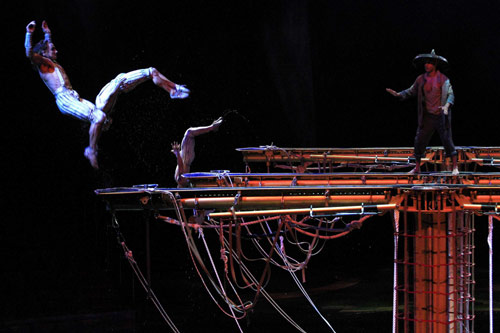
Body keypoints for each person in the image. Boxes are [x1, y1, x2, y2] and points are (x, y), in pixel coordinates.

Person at [25, 20, 190, 169]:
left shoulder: (51, 61)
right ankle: (91, 150)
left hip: (77, 98)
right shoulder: (43, 65)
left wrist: (48, 33)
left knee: (134, 75)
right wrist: (29, 33)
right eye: (53, 49)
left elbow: (48, 46)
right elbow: (30, 53)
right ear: (44, 54)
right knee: (99, 118)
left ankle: (173, 90)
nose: (56, 50)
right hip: (65, 99)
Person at [386, 49, 458, 175]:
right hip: (428, 116)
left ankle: (455, 167)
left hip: (441, 115)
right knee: (419, 140)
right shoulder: (420, 79)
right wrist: (398, 94)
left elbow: (451, 95)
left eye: (429, 63)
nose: (426, 65)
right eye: (425, 62)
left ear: (434, 64)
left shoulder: (443, 79)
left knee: (447, 140)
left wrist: (446, 106)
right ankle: (417, 167)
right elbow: (410, 91)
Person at [171, 117, 223, 187]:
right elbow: (180, 166)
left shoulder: (182, 181)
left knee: (190, 133)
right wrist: (177, 153)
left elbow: (180, 167)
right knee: (189, 132)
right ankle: (212, 127)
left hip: (186, 157)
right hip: (186, 158)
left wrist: (177, 154)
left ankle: (212, 127)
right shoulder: (180, 181)